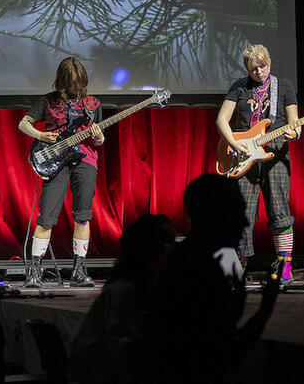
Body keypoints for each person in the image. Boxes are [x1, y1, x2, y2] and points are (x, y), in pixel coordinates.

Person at [142, 173, 280, 383]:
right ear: (217, 216)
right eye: (237, 212)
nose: (245, 222)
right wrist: (263, 312)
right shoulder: (197, 270)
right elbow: (217, 358)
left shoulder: (188, 259)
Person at [216, 43, 299, 284]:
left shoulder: (284, 86)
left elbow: (294, 122)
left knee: (280, 211)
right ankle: (238, 267)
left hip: (275, 154)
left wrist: (295, 132)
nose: (258, 72)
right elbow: (222, 119)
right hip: (244, 156)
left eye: (262, 66)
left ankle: (284, 266)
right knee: (242, 213)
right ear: (246, 68)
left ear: (269, 63)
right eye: (253, 69)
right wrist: (233, 142)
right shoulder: (239, 87)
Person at [19, 56, 105, 288]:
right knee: (46, 216)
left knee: (83, 215)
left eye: (80, 82)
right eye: (73, 83)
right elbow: (23, 123)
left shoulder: (93, 103)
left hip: (86, 159)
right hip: (56, 160)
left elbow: (98, 140)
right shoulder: (48, 101)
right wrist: (40, 135)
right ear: (63, 81)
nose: (77, 87)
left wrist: (99, 138)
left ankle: (79, 271)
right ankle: (35, 271)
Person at [69, 214, 175, 384]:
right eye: (167, 244)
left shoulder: (128, 288)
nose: (172, 252)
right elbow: (123, 353)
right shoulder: (125, 292)